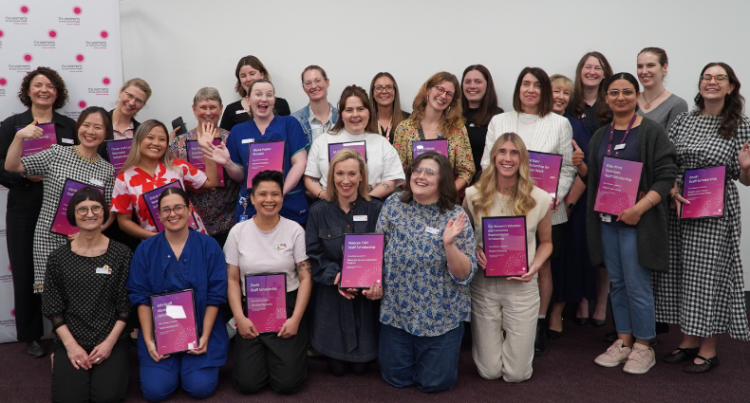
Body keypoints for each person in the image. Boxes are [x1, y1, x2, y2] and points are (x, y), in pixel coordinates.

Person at [654, 62, 750, 373]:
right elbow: (667, 161)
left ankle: (709, 347)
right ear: (699, 85)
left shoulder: (741, 124)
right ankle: (688, 340)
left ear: (730, 87)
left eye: (720, 78)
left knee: (707, 277)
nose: (712, 82)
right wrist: (670, 189)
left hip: (715, 213)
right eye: (707, 77)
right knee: (684, 274)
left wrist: (746, 166)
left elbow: (744, 178)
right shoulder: (683, 120)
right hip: (680, 208)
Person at [578, 72, 676, 375]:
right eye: (614, 92)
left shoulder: (651, 132)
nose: (621, 97)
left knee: (637, 285)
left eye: (627, 92)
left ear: (636, 96)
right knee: (617, 285)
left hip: (638, 223)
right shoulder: (600, 135)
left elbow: (666, 176)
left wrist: (639, 208)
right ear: (606, 98)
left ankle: (644, 345)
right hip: (607, 222)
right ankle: (623, 340)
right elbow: (595, 180)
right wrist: (580, 163)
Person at [480, 67, 575, 355]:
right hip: (502, 208)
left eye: (537, 85)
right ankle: (503, 322)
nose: (530, 90)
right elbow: (487, 163)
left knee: (541, 266)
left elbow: (567, 167)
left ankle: (537, 321)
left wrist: (555, 195)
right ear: (518, 88)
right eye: (525, 84)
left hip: (545, 207)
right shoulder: (500, 120)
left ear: (544, 91)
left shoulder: (559, 123)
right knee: (503, 264)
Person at [376, 152, 477, 392]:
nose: (420, 176)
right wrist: (372, 282)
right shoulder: (393, 205)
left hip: (440, 316)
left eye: (430, 172)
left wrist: (449, 244)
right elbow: (377, 252)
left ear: (443, 180)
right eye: (417, 170)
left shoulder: (455, 215)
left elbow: (465, 275)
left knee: (434, 384)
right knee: (396, 379)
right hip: (397, 313)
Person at [0, 66, 77, 357]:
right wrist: (25, 177)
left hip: (63, 208)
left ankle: (69, 330)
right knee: (25, 270)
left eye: (51, 86)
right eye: (38, 85)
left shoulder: (68, 127)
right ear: (28, 90)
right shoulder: (12, 125)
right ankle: (31, 335)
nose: (44, 90)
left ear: (58, 93)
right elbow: (1, 166)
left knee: (66, 270)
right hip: (24, 207)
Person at [464, 133, 552, 382]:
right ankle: (496, 348)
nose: (507, 158)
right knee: (489, 372)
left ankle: (514, 349)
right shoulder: (473, 195)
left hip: (522, 289)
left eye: (514, 153)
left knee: (516, 374)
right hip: (484, 286)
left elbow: (546, 243)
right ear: (493, 157)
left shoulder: (540, 198)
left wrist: (535, 266)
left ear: (522, 159)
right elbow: (464, 237)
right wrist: (475, 250)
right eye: (502, 152)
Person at [127, 187, 228, 401]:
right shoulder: (145, 250)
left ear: (189, 209)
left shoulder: (209, 246)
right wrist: (148, 339)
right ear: (159, 215)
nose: (173, 214)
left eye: (178, 207)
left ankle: (194, 362)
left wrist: (205, 336)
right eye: (166, 210)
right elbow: (140, 296)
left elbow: (216, 295)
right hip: (161, 333)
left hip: (201, 330)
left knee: (200, 388)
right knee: (155, 392)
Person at [5, 106, 117, 296]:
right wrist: (19, 137)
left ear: (106, 133)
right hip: (48, 241)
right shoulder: (56, 153)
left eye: (97, 127)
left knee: (82, 301)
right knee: (55, 305)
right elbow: (12, 166)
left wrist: (92, 229)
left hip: (86, 243)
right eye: (86, 125)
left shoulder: (107, 170)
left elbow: (110, 213)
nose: (90, 131)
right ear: (78, 127)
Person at [225, 170, 312, 394]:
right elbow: (233, 279)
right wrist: (240, 318)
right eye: (262, 194)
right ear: (252, 198)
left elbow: (305, 278)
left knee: (287, 384)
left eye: (275, 194)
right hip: (251, 309)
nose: (269, 199)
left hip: (287, 307)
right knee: (247, 384)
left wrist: (295, 319)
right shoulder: (238, 232)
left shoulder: (294, 230)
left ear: (282, 198)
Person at [43, 187, 132, 403]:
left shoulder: (122, 254)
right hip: (72, 337)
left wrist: (109, 344)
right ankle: (60, 357)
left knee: (107, 397)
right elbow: (53, 309)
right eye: (82, 209)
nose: (89, 214)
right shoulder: (58, 258)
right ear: (73, 214)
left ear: (105, 212)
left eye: (95, 208)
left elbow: (126, 308)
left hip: (111, 337)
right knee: (68, 398)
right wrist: (71, 347)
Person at [306, 149, 384, 376]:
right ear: (332, 176)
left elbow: (387, 253)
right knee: (337, 369)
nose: (346, 180)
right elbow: (313, 254)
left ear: (362, 176)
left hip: (366, 297)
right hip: (332, 295)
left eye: (352, 173)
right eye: (339, 173)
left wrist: (377, 282)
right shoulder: (317, 212)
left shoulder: (377, 209)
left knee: (362, 368)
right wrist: (336, 276)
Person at [546, 74, 600, 337]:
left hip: (568, 207)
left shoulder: (576, 127)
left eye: (565, 93)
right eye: (555, 91)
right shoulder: (536, 123)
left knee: (565, 261)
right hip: (537, 206)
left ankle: (556, 312)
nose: (560, 97)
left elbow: (586, 171)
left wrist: (567, 204)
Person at [216, 79, 309, 225]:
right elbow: (241, 176)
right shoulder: (238, 131)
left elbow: (299, 163)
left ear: (274, 100)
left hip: (289, 202)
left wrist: (278, 193)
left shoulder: (290, 124)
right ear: (248, 100)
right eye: (258, 94)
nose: (264, 99)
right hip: (252, 204)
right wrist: (227, 163)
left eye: (269, 95)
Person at [110, 119, 221, 239]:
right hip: (157, 244)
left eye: (162, 139)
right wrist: (155, 237)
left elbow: (211, 182)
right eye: (150, 137)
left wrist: (206, 148)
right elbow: (123, 222)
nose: (156, 143)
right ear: (138, 140)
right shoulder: (124, 179)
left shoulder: (177, 166)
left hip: (193, 236)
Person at [304, 85, 404, 200]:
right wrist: (324, 195)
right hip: (331, 207)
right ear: (341, 114)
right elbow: (310, 178)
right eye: (349, 110)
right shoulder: (322, 141)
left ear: (369, 112)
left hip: (370, 207)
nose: (355, 115)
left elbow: (390, 181)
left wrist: (365, 201)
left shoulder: (382, 143)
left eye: (360, 109)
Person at [169, 87, 241, 248]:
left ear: (221, 109)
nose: (208, 112)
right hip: (192, 223)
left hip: (228, 223)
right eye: (203, 107)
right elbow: (171, 180)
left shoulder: (232, 138)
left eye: (213, 107)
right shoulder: (179, 143)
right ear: (194, 110)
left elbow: (241, 173)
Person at [392, 72, 475, 193]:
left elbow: (467, 170)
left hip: (445, 201)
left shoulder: (457, 130)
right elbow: (397, 169)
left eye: (449, 94)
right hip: (412, 199)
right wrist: (414, 192)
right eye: (440, 89)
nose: (443, 96)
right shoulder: (404, 129)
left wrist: (448, 192)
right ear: (428, 90)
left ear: (452, 101)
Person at [220, 55, 291, 132]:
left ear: (262, 75)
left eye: (252, 74)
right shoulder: (231, 109)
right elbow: (224, 139)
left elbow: (288, 134)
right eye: (243, 76)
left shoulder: (281, 104)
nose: (248, 79)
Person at [461, 64, 504, 181]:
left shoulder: (498, 117)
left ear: (487, 86)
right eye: (467, 82)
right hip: (453, 185)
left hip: (484, 184)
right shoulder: (453, 115)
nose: (472, 86)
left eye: (478, 82)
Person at [636, 47, 689, 131]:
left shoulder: (677, 104)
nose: (644, 71)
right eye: (640, 66)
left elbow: (671, 142)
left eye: (650, 65)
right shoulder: (630, 100)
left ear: (664, 68)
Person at [568, 51, 614, 134]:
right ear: (580, 71)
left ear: (604, 74)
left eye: (598, 68)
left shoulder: (612, 104)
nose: (592, 72)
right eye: (588, 67)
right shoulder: (568, 104)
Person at [291, 65, 339, 145]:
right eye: (308, 83)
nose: (313, 86)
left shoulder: (342, 118)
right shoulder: (294, 120)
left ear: (327, 82)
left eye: (318, 81)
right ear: (304, 88)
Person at [368, 72, 410, 144]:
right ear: (373, 93)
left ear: (395, 91)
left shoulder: (408, 120)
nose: (384, 91)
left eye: (389, 87)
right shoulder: (366, 121)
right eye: (379, 88)